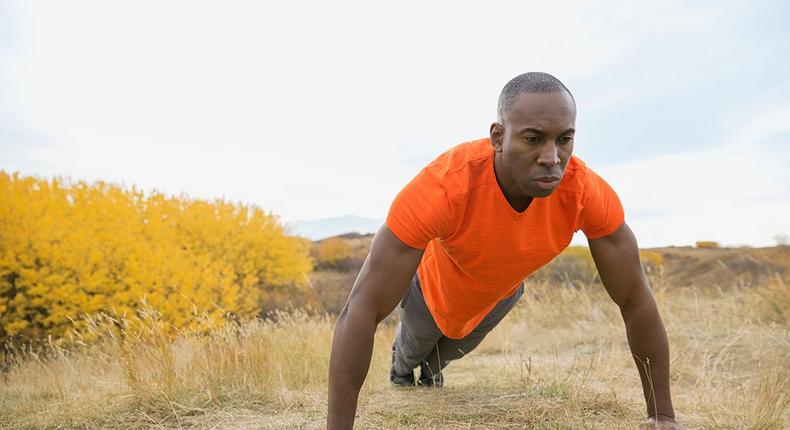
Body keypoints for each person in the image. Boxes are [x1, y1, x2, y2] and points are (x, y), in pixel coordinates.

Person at [327, 72, 683, 430]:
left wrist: (662, 417)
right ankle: (401, 372)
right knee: (411, 353)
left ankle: (430, 374)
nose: (552, 158)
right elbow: (361, 308)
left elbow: (635, 300)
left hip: (498, 296)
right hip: (433, 292)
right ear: (498, 137)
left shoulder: (585, 192)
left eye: (564, 140)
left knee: (443, 358)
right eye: (533, 139)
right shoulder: (443, 187)